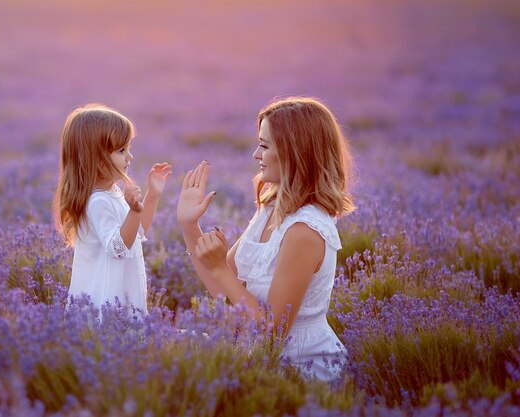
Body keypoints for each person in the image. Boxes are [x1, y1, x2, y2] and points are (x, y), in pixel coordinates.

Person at [176, 97, 354, 380]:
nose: (255, 155)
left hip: (297, 366)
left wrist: (220, 267)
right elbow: (223, 291)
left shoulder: (304, 231)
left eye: (265, 145)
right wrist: (189, 225)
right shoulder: (272, 207)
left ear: (295, 152)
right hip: (253, 350)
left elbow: (273, 332)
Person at [54, 104, 171, 314]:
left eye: (129, 148)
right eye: (121, 150)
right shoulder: (97, 202)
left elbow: (136, 232)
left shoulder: (112, 193)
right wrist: (134, 211)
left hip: (119, 296)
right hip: (105, 301)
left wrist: (151, 196)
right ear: (97, 158)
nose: (130, 157)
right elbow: (118, 248)